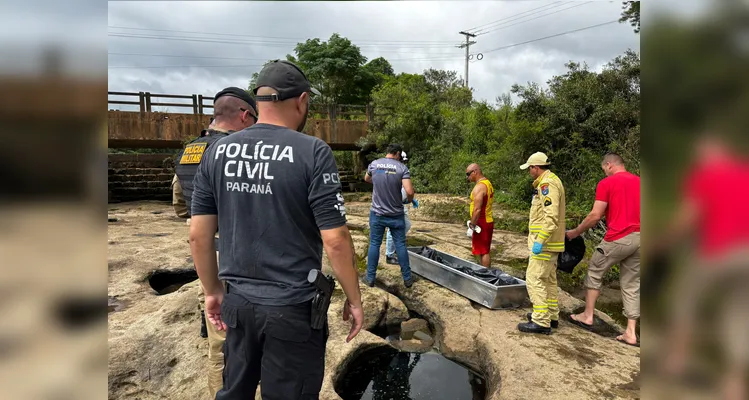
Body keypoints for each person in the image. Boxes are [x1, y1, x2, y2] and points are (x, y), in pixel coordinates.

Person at [189, 60, 364, 400]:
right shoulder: (313, 152)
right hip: (293, 308)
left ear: (258, 102)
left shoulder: (217, 152)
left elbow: (198, 235)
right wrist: (354, 299)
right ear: (301, 101)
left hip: (238, 304)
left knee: (234, 391)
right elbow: (336, 240)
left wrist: (212, 291)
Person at [173, 86, 258, 399]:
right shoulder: (235, 150)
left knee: (218, 334)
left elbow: (180, 206)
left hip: (206, 254)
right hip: (235, 256)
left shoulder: (188, 151)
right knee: (225, 344)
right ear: (245, 115)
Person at [658, 134, 749, 400]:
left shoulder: (705, 175)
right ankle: (734, 383)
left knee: (684, 298)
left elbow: (690, 215)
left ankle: (678, 358)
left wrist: (664, 242)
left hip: (715, 252)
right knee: (739, 315)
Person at [566, 153, 641, 346]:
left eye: (604, 169)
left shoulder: (607, 183)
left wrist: (575, 232)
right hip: (641, 238)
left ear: (609, 165)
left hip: (618, 237)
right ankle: (631, 332)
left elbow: (595, 216)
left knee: (594, 271)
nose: (605, 173)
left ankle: (588, 315)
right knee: (631, 284)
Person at [517, 152, 566, 335]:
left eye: (530, 168)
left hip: (544, 243)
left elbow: (550, 217)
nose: (529, 172)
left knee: (534, 278)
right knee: (549, 280)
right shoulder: (553, 180)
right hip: (551, 243)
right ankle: (551, 316)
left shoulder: (546, 184)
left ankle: (540, 321)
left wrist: (539, 240)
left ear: (535, 168)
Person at [363, 144, 415, 288]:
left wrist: (379, 183)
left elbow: (366, 178)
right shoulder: (402, 168)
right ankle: (407, 279)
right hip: (396, 214)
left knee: (374, 244)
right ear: (397, 153)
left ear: (387, 153)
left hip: (377, 213)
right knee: (400, 245)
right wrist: (408, 200)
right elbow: (409, 191)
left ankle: (370, 278)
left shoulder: (374, 164)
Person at [385, 151, 418, 265]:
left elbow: (405, 188)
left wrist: (410, 199)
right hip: (394, 204)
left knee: (406, 225)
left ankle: (395, 249)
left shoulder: (402, 170)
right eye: (403, 161)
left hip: (401, 204)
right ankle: (389, 254)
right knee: (392, 230)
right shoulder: (392, 170)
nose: (404, 163)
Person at [466, 163, 495, 268]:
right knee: (484, 250)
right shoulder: (487, 183)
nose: (467, 177)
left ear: (475, 172)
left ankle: (485, 275)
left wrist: (472, 226)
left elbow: (477, 209)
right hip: (486, 220)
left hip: (481, 222)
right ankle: (485, 272)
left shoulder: (480, 186)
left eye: (468, 174)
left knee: (484, 251)